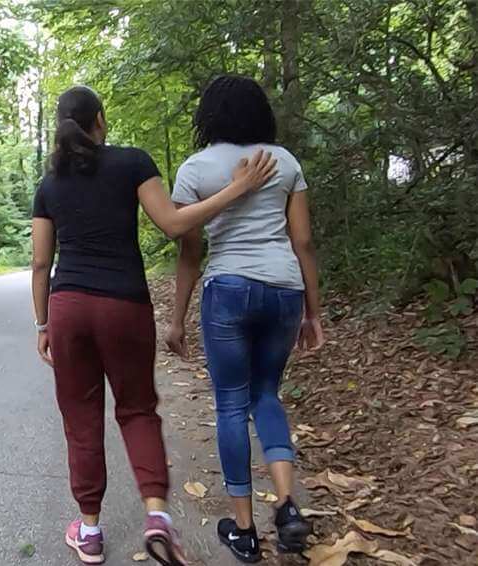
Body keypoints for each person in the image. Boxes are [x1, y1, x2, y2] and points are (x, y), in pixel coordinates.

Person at [31, 85, 278, 566]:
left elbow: (41, 265)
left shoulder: (50, 184)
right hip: (124, 305)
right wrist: (238, 189)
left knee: (81, 421)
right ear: (100, 120)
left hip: (68, 308)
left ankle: (89, 531)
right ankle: (158, 517)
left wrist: (43, 322)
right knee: (138, 410)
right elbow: (175, 224)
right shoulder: (132, 163)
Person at [165, 75, 324, 563]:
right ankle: (288, 507)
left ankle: (245, 530)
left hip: (228, 289)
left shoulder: (194, 169)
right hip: (284, 290)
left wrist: (176, 320)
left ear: (208, 115)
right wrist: (314, 311)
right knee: (266, 395)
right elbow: (303, 243)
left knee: (231, 406)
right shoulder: (285, 162)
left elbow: (189, 253)